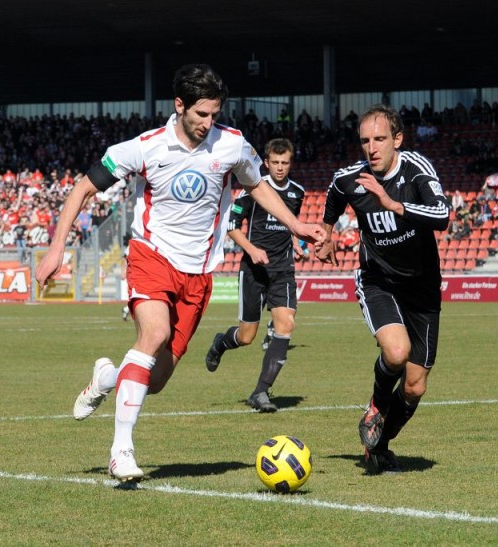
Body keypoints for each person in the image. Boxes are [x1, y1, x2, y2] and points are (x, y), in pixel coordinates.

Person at [35, 64, 324, 482]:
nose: (209, 123)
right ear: (179, 106)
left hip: (198, 272)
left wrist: (297, 225)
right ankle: (121, 451)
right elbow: (83, 187)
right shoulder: (145, 147)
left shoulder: (233, 145)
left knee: (155, 380)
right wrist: (57, 247)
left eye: (214, 114)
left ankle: (107, 378)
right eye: (201, 114)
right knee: (152, 336)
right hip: (152, 257)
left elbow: (258, 184)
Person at [316, 104, 450, 475]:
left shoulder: (416, 169)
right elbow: (333, 194)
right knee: (396, 352)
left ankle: (379, 445)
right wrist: (327, 235)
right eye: (364, 141)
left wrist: (394, 204)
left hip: (422, 289)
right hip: (378, 281)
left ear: (397, 140)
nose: (371, 148)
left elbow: (442, 215)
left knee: (415, 387)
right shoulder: (352, 178)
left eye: (379, 139)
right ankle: (376, 404)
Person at [204, 138, 306, 412]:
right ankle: (220, 343)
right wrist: (251, 249)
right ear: (267, 162)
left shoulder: (298, 193)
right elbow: (232, 226)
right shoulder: (253, 190)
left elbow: (290, 225)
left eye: (285, 163)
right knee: (247, 336)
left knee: (285, 325)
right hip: (253, 270)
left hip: (282, 270)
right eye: (275, 163)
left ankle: (260, 392)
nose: (280, 168)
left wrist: (297, 244)